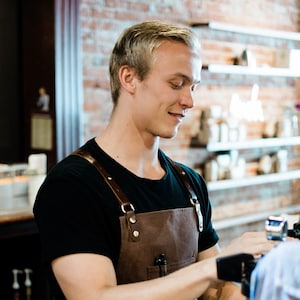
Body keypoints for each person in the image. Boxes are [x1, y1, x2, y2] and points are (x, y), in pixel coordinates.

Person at [33, 21, 275, 300]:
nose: (189, 100)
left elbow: (217, 291)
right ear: (129, 78)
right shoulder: (72, 186)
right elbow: (95, 297)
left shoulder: (190, 184)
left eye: (193, 86)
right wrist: (212, 268)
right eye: (176, 84)